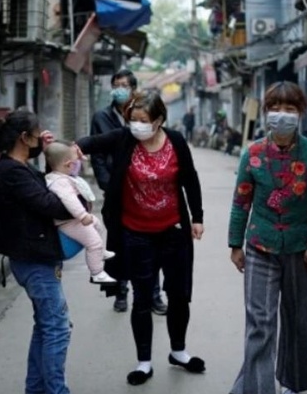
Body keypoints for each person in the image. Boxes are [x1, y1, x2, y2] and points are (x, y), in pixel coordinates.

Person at [76, 92, 205, 386]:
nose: (136, 126)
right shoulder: (124, 139)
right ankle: (144, 362)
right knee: (142, 298)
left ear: (159, 121)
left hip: (173, 232)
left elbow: (190, 179)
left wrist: (197, 217)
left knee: (179, 295)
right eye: (132, 119)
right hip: (135, 234)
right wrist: (67, 149)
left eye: (143, 121)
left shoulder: (176, 141)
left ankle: (179, 351)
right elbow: (91, 143)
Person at [228, 81, 307, 394]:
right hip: (260, 246)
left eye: (289, 109)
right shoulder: (254, 153)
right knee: (260, 323)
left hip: (302, 251)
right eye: (276, 108)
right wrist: (235, 245)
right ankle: (260, 390)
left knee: (296, 320)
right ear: (266, 113)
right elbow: (241, 202)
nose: (282, 115)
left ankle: (293, 383)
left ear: (300, 113)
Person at [0, 110, 76, 394]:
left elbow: (45, 188)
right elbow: (50, 203)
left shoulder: (18, 167)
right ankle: (55, 391)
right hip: (34, 260)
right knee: (57, 328)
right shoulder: (12, 172)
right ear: (24, 138)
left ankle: (37, 389)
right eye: (38, 134)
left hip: (35, 257)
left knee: (46, 326)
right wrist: (80, 205)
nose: (42, 137)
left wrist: (47, 154)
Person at [90, 69, 167, 315]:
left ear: (134, 88)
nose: (119, 89)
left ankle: (153, 295)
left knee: (151, 244)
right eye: (116, 84)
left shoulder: (145, 114)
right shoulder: (102, 117)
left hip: (144, 191)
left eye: (124, 85)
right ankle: (120, 293)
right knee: (118, 244)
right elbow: (98, 154)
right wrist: (107, 184)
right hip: (116, 192)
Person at [43, 141, 117, 284]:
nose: (78, 163)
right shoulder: (60, 182)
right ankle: (97, 272)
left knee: (97, 224)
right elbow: (70, 200)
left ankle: (101, 252)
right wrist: (82, 215)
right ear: (67, 163)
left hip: (74, 219)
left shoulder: (61, 176)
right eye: (75, 161)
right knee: (93, 243)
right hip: (69, 222)